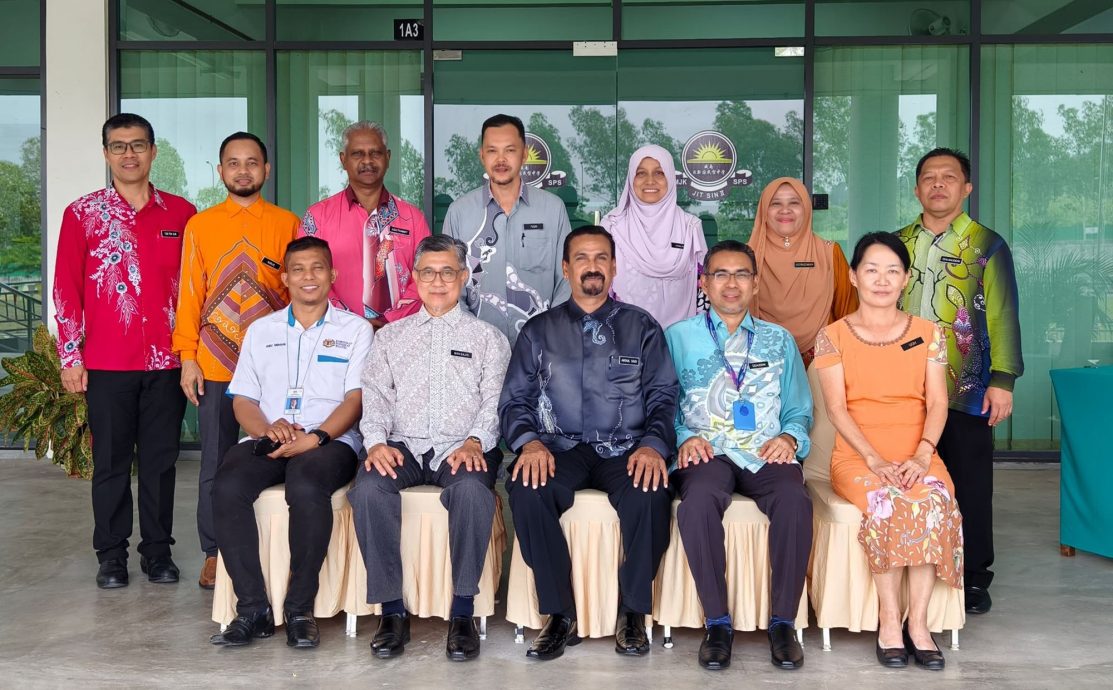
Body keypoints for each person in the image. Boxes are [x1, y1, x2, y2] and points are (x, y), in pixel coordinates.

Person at [499, 226, 678, 661]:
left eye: (601, 258)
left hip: (626, 448)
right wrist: (529, 444)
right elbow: (515, 400)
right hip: (557, 448)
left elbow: (663, 395)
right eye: (582, 258)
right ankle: (560, 615)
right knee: (527, 489)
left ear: (614, 268)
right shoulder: (538, 331)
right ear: (566, 268)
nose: (592, 266)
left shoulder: (642, 327)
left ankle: (632, 612)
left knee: (651, 492)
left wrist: (653, 445)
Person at [347, 235, 511, 662]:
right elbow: (376, 396)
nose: (438, 282)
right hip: (402, 444)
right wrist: (376, 442)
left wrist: (476, 441)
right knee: (368, 490)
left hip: (463, 446)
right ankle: (392, 611)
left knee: (472, 492)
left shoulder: (488, 338)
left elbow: (495, 401)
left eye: (447, 272)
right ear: (415, 279)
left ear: (464, 276)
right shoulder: (391, 337)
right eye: (428, 273)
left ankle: (462, 611)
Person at [54, 113, 196, 589]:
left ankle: (157, 552)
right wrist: (70, 357)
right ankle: (111, 556)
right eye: (119, 146)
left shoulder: (182, 213)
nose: (129, 154)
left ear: (153, 151)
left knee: (160, 462)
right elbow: (66, 288)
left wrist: (192, 354)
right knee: (111, 464)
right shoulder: (82, 213)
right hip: (107, 363)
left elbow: (193, 288)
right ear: (106, 154)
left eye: (137, 145)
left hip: (166, 362)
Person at [209, 237, 372, 649]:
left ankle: (299, 609)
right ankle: (253, 609)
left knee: (305, 484)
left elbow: (355, 399)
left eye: (317, 268)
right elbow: (243, 399)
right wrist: (266, 430)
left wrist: (317, 437)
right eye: (298, 269)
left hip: (330, 440)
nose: (308, 277)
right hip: (270, 435)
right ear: (285, 279)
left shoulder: (355, 330)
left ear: (332, 275)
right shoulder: (260, 331)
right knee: (226, 486)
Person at [815, 232, 963, 672]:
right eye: (872, 270)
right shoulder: (832, 337)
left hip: (919, 452)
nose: (882, 280)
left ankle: (918, 624)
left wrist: (923, 455)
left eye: (892, 271)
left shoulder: (929, 334)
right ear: (853, 276)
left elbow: (937, 403)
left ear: (905, 279)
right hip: (858, 457)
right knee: (888, 502)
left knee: (934, 501)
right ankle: (889, 623)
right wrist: (874, 460)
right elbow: (836, 409)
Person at [665, 240, 813, 671]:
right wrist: (682, 437)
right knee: (697, 503)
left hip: (764, 450)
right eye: (721, 274)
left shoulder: (778, 340)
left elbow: (799, 409)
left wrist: (789, 437)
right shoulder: (678, 337)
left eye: (741, 274)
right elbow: (661, 405)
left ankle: (783, 623)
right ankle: (717, 623)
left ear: (755, 283)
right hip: (706, 449)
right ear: (704, 283)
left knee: (794, 500)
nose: (731, 284)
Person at [896, 147, 1022, 615]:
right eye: (929, 177)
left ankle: (973, 578)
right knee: (909, 479)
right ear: (916, 189)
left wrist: (1003, 380)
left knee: (969, 484)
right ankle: (911, 567)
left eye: (949, 177)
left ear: (966, 188)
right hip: (904, 389)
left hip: (967, 388)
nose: (938, 184)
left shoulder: (987, 244)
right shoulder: (898, 244)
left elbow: (1003, 313)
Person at [172, 131, 299, 590]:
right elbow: (189, 294)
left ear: (266, 170)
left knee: (279, 453)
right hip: (215, 366)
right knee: (215, 460)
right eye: (233, 162)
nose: (243, 171)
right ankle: (215, 552)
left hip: (275, 368)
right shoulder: (200, 225)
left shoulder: (287, 224)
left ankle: (277, 547)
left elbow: (299, 293)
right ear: (220, 170)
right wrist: (188, 357)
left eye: (252, 162)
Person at [444, 113, 572, 343]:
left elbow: (567, 278)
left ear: (524, 154)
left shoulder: (553, 210)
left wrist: (551, 332)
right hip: (476, 346)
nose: (501, 159)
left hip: (540, 345)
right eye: (492, 150)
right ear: (482, 155)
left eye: (510, 150)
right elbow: (448, 281)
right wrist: (472, 336)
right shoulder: (459, 212)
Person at [298, 121, 430, 328]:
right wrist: (350, 324)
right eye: (357, 154)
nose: (367, 161)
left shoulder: (413, 218)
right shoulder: (317, 217)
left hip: (401, 333)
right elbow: (306, 276)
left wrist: (390, 322)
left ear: (388, 157)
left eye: (375, 153)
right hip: (334, 333)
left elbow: (427, 275)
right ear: (343, 160)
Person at [749, 177, 858, 366]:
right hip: (762, 365)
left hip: (823, 365)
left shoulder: (829, 253)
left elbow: (849, 316)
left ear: (806, 208)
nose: (785, 210)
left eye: (794, 203)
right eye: (775, 203)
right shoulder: (746, 258)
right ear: (764, 210)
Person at [601, 145, 707, 329]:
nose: (650, 181)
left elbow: (703, 289)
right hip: (624, 337)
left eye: (659, 173)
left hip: (680, 338)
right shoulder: (611, 227)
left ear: (670, 178)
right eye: (641, 173)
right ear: (631, 179)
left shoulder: (690, 227)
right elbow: (600, 288)